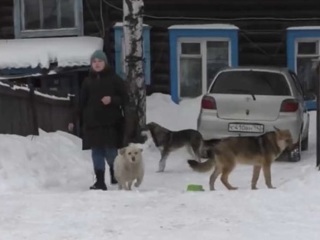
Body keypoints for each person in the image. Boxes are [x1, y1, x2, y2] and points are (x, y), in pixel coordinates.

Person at [68, 50, 128, 191]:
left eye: (99, 61)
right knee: (96, 152)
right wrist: (73, 119)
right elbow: (81, 102)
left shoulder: (114, 79)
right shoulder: (87, 81)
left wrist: (112, 99)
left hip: (111, 123)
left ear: (105, 63)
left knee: (111, 151)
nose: (97, 64)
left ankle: (116, 175)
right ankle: (100, 182)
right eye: (94, 62)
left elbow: (125, 98)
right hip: (92, 123)